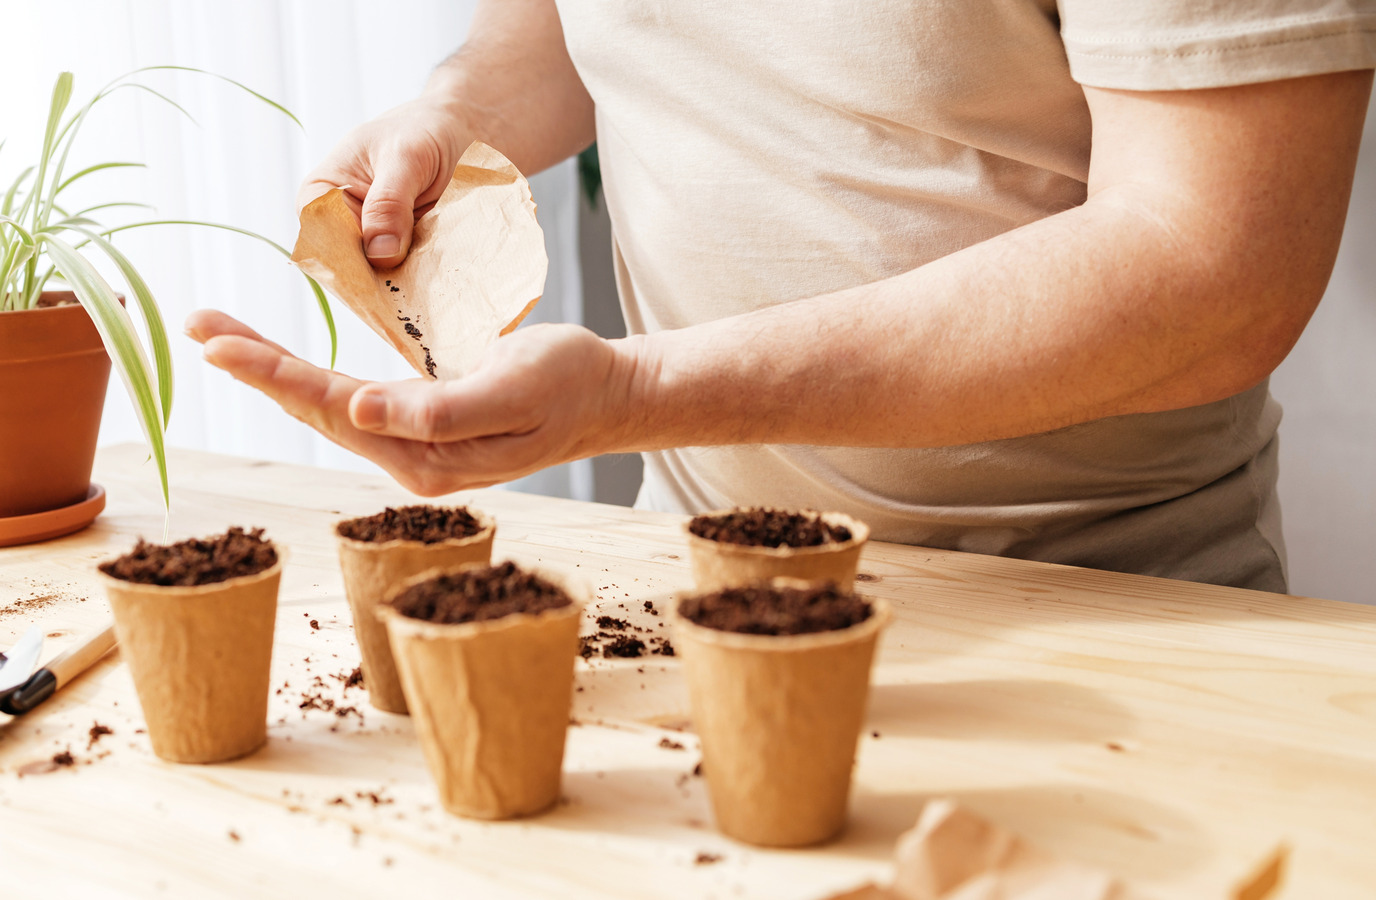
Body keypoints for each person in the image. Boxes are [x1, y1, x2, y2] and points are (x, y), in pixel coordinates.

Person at [186, 1, 1375, 592]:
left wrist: (639, 392)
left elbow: (1215, 268)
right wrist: (460, 118)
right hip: (691, 587)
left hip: (1100, 614)